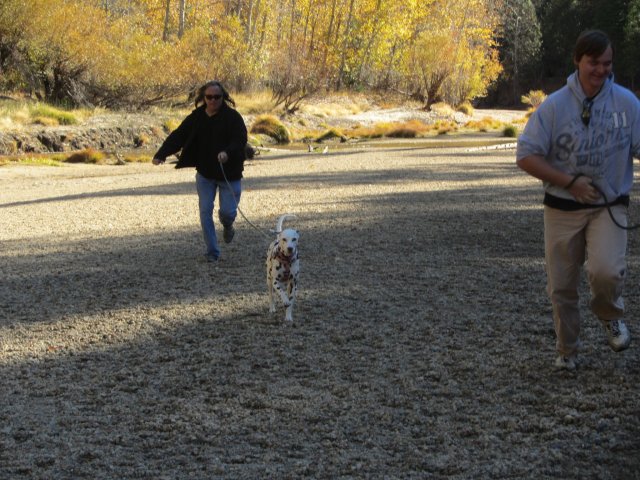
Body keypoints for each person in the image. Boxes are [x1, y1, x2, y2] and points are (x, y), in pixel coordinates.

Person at [516, 29, 640, 370]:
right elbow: (526, 155)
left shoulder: (628, 104)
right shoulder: (554, 107)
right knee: (561, 287)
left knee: (606, 271)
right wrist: (569, 182)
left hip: (608, 206)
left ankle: (609, 315)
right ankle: (567, 351)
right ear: (577, 61)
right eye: (593, 63)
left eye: (607, 63)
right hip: (561, 208)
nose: (601, 70)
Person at [153, 80, 248, 263]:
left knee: (228, 213)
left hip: (230, 174)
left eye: (217, 97)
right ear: (203, 98)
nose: (213, 101)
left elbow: (240, 139)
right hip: (205, 174)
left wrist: (227, 153)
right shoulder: (196, 117)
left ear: (223, 97)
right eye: (209, 97)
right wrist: (161, 154)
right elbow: (178, 135)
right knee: (205, 210)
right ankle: (212, 252)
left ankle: (228, 225)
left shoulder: (233, 117)